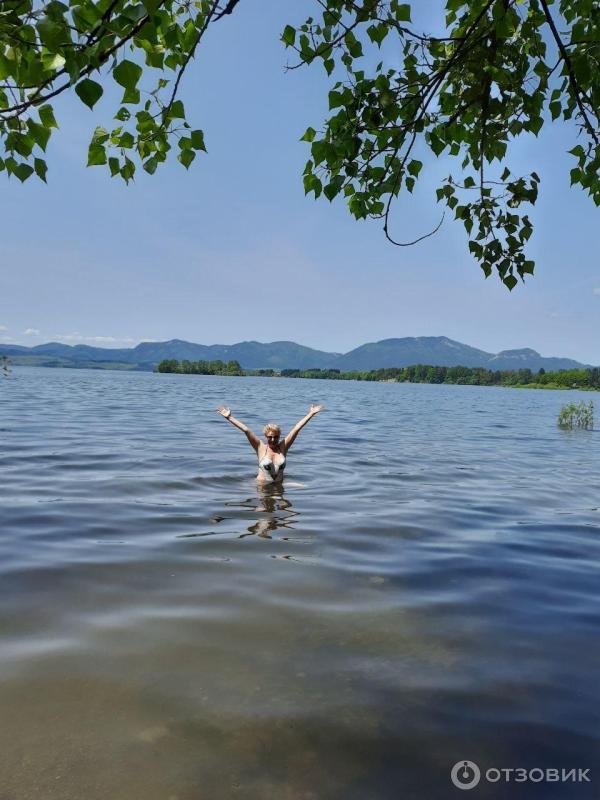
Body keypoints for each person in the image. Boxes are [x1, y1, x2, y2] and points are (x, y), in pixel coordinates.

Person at [216, 404, 325, 483]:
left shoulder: (283, 446)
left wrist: (311, 414)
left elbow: (296, 429)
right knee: (265, 514)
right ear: (266, 437)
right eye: (270, 437)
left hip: (279, 486)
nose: (273, 440)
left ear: (279, 436)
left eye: (276, 437)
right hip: (261, 487)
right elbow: (246, 430)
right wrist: (229, 417)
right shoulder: (259, 446)